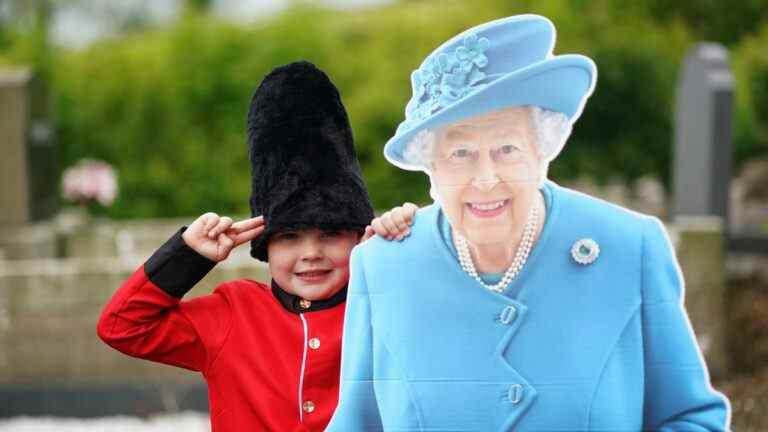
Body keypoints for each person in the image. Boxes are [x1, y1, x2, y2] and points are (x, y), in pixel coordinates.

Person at [326, 15, 731, 431]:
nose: (485, 179)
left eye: (507, 148)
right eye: (460, 153)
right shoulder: (382, 266)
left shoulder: (631, 248)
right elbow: (356, 422)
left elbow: (691, 418)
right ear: (431, 165)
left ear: (543, 150)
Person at [97, 61, 413, 432]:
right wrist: (188, 256)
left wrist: (402, 251)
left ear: (358, 238)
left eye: (329, 234)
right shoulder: (234, 312)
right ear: (265, 246)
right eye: (290, 237)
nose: (311, 252)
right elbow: (123, 327)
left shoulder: (383, 310)